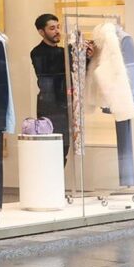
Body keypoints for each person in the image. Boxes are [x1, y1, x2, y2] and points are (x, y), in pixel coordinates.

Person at [29, 13, 91, 162]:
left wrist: (86, 58)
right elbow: (50, 73)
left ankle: (55, 184)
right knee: (51, 151)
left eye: (58, 27)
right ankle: (49, 184)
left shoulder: (61, 51)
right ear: (41, 32)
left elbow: (75, 74)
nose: (57, 31)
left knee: (63, 150)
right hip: (49, 108)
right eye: (52, 28)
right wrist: (72, 52)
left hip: (64, 106)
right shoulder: (37, 52)